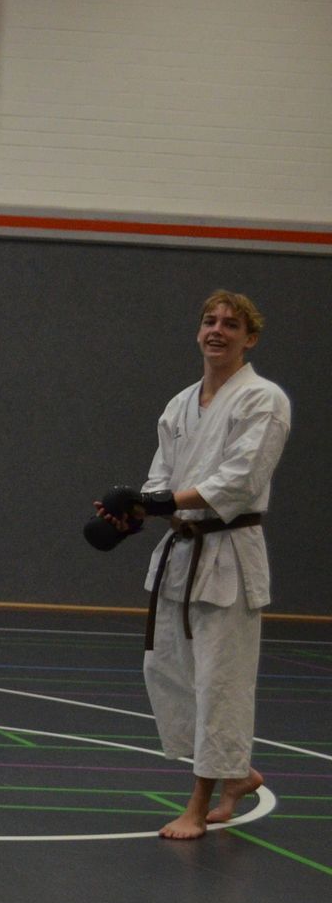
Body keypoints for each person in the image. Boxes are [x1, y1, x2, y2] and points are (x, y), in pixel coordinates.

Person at [94, 290, 290, 840]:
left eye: (232, 324)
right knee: (169, 674)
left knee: (219, 684)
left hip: (228, 555)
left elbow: (240, 480)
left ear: (249, 338)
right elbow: (163, 474)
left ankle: (199, 806)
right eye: (210, 321)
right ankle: (236, 773)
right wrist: (132, 512)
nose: (218, 331)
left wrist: (158, 503)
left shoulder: (263, 399)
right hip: (181, 555)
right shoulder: (180, 403)